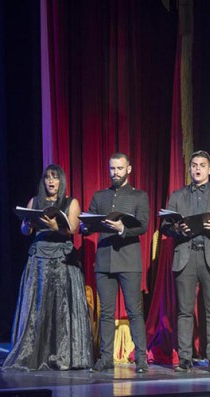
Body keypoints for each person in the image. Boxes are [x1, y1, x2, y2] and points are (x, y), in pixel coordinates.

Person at [4, 164, 93, 371]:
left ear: (61, 181)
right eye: (47, 177)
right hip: (39, 259)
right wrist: (27, 223)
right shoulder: (35, 201)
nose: (51, 181)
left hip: (63, 259)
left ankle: (63, 355)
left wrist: (55, 226)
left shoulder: (71, 202)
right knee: (37, 307)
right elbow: (26, 231)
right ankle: (33, 354)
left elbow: (72, 229)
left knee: (62, 309)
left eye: (55, 177)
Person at [161, 150, 210, 373]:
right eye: (194, 165)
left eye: (202, 165)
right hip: (186, 256)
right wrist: (177, 228)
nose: (197, 169)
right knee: (185, 310)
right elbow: (165, 226)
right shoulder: (177, 196)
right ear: (190, 168)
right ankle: (185, 358)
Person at [81, 152, 149, 373]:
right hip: (104, 261)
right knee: (107, 313)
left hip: (129, 260)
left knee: (134, 311)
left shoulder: (139, 196)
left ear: (128, 169)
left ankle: (141, 359)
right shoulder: (100, 196)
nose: (115, 173)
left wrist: (122, 229)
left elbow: (143, 226)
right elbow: (89, 220)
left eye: (119, 168)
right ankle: (106, 357)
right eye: (112, 169)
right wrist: (85, 227)